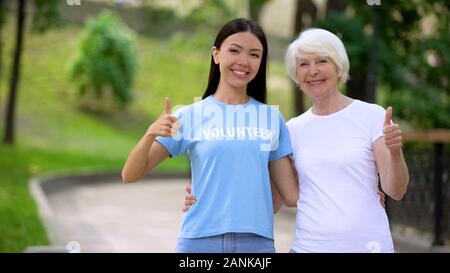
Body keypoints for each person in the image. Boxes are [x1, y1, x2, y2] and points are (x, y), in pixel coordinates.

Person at [184, 27, 409, 253]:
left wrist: (395, 151)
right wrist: (206, 197)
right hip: (307, 248)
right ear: (296, 75)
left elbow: (395, 190)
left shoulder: (371, 116)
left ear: (338, 65)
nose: (312, 71)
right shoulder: (290, 129)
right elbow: (272, 200)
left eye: (322, 61)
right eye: (303, 64)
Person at [121, 18, 299, 253]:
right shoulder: (188, 115)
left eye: (254, 55)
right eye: (234, 50)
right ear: (216, 54)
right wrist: (149, 134)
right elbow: (130, 174)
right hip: (199, 241)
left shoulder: (271, 118)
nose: (244, 61)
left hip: (256, 244)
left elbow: (289, 195)